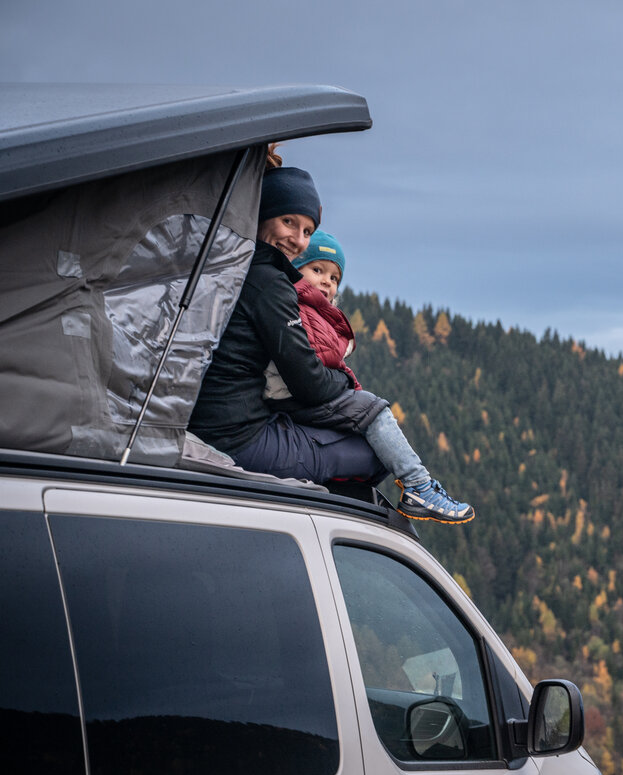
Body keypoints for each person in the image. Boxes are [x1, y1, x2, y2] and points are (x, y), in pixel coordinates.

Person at [189, 164, 473, 524]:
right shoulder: (268, 281)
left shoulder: (236, 265)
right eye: (288, 222)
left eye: (307, 229)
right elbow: (306, 380)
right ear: (264, 214)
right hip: (237, 438)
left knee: (356, 430)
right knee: (372, 454)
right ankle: (340, 516)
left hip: (218, 421)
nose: (298, 239)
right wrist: (347, 386)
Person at [264, 229, 473, 524]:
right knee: (376, 414)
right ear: (296, 270)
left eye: (334, 278)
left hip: (296, 394)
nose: (326, 281)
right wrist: (351, 377)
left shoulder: (312, 310)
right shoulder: (299, 305)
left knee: (368, 417)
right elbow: (319, 361)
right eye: (317, 269)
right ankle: (418, 485)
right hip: (292, 396)